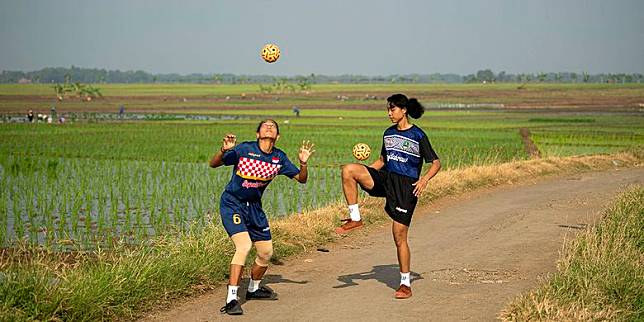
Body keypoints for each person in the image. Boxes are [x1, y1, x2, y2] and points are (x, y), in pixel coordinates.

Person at [335, 94, 441, 299]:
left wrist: (424, 179)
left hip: (405, 186)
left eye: (392, 109)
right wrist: (364, 171)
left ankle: (405, 284)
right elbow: (383, 160)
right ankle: (355, 217)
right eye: (388, 109)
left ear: (404, 111)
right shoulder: (388, 133)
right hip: (386, 178)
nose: (389, 113)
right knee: (349, 170)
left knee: (399, 237)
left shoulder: (418, 134)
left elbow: (435, 163)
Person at [209, 119, 315, 315]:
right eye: (264, 125)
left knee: (266, 252)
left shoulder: (279, 158)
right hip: (233, 203)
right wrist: (224, 151)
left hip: (255, 208)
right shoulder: (243, 149)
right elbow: (213, 164)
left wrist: (303, 163)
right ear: (257, 134)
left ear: (278, 136)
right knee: (244, 246)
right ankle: (232, 298)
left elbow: (302, 179)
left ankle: (253, 289)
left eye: (273, 126)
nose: (269, 127)